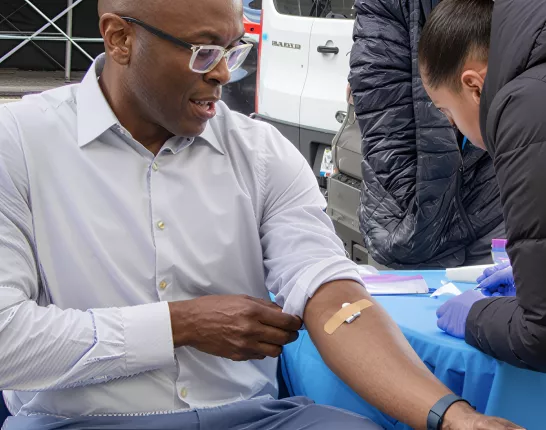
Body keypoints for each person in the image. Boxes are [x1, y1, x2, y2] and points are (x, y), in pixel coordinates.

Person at [0, 0, 519, 429]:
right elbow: (8, 341)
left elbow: (329, 292)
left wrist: (453, 417)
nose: (225, 73)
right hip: (74, 419)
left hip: (250, 417)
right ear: (119, 39)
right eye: (204, 52)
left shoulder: (259, 150)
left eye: (233, 49)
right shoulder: (20, 143)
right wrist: (177, 326)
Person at [419, 0, 546, 372]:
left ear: (474, 87)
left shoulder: (523, 108)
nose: (454, 127)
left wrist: (477, 315)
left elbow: (538, 335)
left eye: (446, 112)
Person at [348, 0, 504, 269]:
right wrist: (423, 219)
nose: (449, 122)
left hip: (499, 219)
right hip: (413, 222)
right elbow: (385, 120)